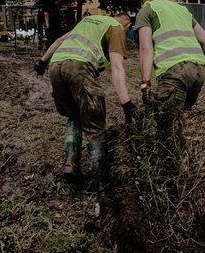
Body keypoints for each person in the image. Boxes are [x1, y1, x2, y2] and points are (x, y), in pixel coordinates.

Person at [135, 0, 205, 180]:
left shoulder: (147, 9)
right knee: (177, 120)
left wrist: (145, 83)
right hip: (197, 73)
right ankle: (184, 164)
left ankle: (174, 180)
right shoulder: (181, 9)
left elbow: (145, 48)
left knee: (166, 127)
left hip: (174, 74)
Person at [34, 13, 137, 188]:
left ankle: (70, 164)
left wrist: (42, 62)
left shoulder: (89, 22)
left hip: (55, 67)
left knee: (74, 115)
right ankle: (99, 180)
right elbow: (118, 68)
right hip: (78, 69)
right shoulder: (117, 28)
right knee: (95, 122)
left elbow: (60, 40)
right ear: (127, 26)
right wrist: (126, 104)